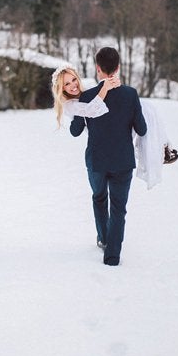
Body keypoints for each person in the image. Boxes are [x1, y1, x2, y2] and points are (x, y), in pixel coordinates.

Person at [69, 47, 147, 266]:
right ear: (118, 67)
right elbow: (141, 129)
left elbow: (75, 131)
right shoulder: (130, 94)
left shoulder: (86, 96)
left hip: (96, 162)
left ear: (98, 69)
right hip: (123, 161)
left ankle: (103, 237)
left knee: (99, 198)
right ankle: (112, 256)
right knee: (119, 208)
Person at [51, 64, 120, 127]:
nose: (73, 85)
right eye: (67, 84)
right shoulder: (68, 105)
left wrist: (113, 82)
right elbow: (91, 110)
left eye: (74, 79)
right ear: (62, 88)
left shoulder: (87, 87)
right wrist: (105, 88)